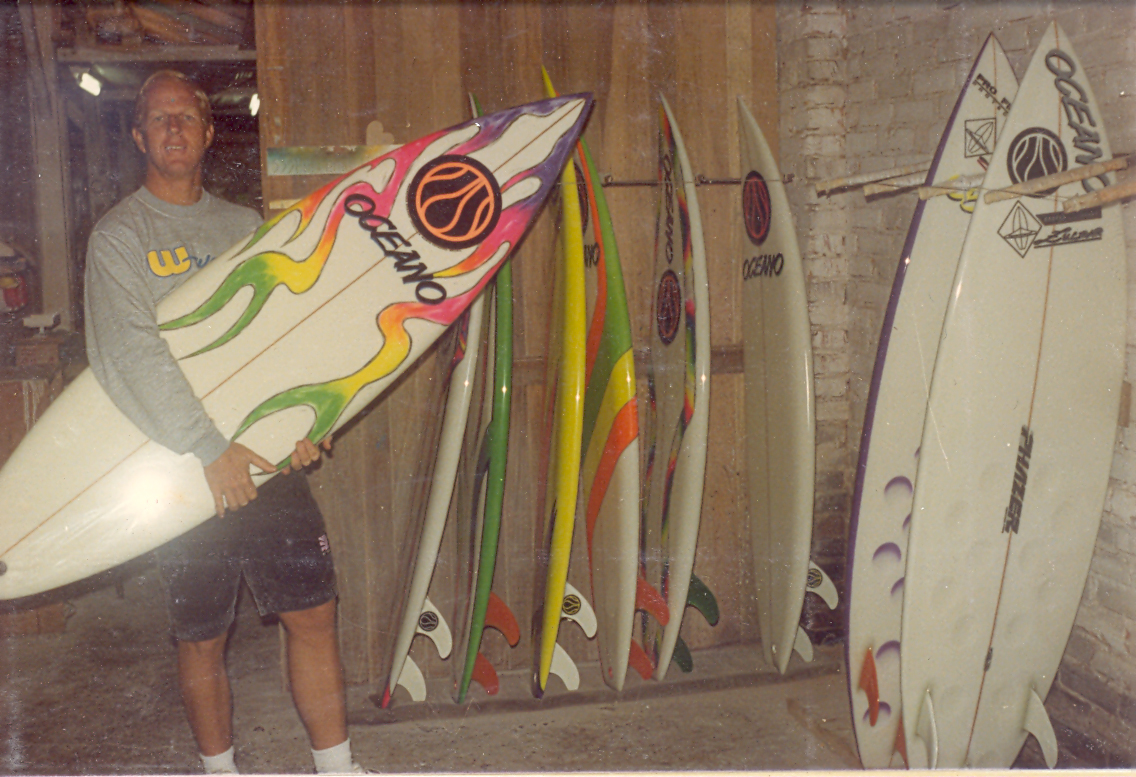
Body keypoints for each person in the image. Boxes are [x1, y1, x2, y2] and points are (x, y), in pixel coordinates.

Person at [84, 70, 363, 775]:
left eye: (187, 116)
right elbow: (133, 356)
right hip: (183, 463)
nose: (174, 127)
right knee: (204, 634)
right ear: (139, 136)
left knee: (312, 611)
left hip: (262, 455)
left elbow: (278, 335)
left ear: (210, 133)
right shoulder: (118, 238)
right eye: (159, 117)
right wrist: (211, 449)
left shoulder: (243, 229)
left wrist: (309, 415)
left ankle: (337, 768)